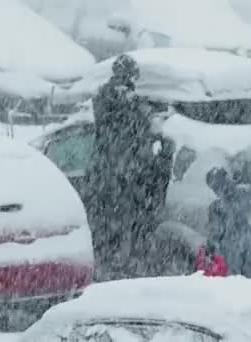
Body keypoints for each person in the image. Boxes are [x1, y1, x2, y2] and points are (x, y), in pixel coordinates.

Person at [83, 54, 175, 281]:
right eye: (132, 74)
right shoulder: (115, 98)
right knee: (119, 223)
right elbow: (129, 121)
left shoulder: (113, 97)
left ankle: (114, 261)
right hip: (118, 173)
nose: (134, 78)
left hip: (116, 173)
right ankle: (117, 263)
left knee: (115, 224)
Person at [203, 166, 251, 278]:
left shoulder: (216, 207)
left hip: (230, 243)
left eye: (214, 187)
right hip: (248, 238)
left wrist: (209, 249)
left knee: (232, 279)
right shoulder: (245, 194)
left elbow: (215, 231)